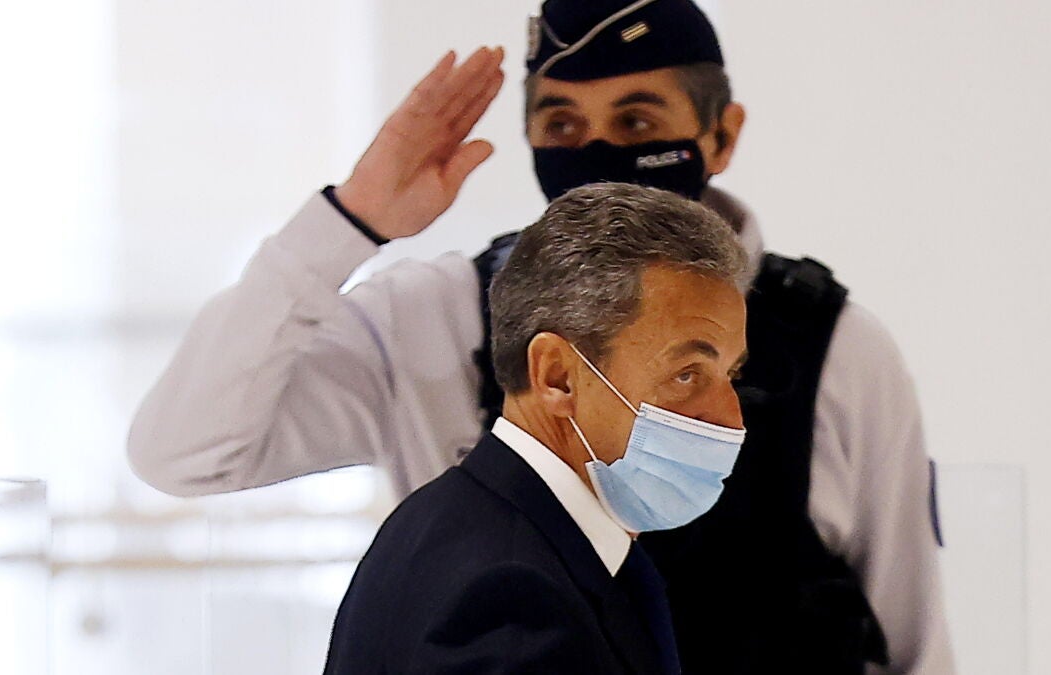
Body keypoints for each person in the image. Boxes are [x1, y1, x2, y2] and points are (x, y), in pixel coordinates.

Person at [129, 1, 955, 672]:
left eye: (637, 119)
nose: (597, 152)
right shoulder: (436, 316)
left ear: (721, 135)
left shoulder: (837, 347)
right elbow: (185, 453)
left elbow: (912, 637)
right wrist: (350, 221)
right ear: (549, 369)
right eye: (562, 124)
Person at [323, 182, 748, 674]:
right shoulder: (511, 603)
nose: (732, 418)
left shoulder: (451, 521)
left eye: (732, 375)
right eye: (687, 374)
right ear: (557, 376)